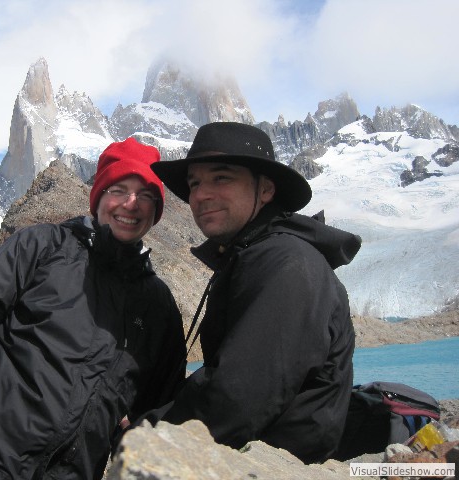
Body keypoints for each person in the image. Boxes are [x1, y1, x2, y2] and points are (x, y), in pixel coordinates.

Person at [0, 138, 186, 480]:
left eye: (147, 195)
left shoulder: (158, 304)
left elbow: (159, 408)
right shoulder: (42, 246)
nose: (131, 204)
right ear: (99, 196)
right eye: (119, 189)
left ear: (156, 210)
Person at [144, 122, 362, 464]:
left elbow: (237, 397)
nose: (200, 195)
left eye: (222, 178)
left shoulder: (285, 263)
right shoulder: (256, 256)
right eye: (195, 183)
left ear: (266, 190)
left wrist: (145, 433)